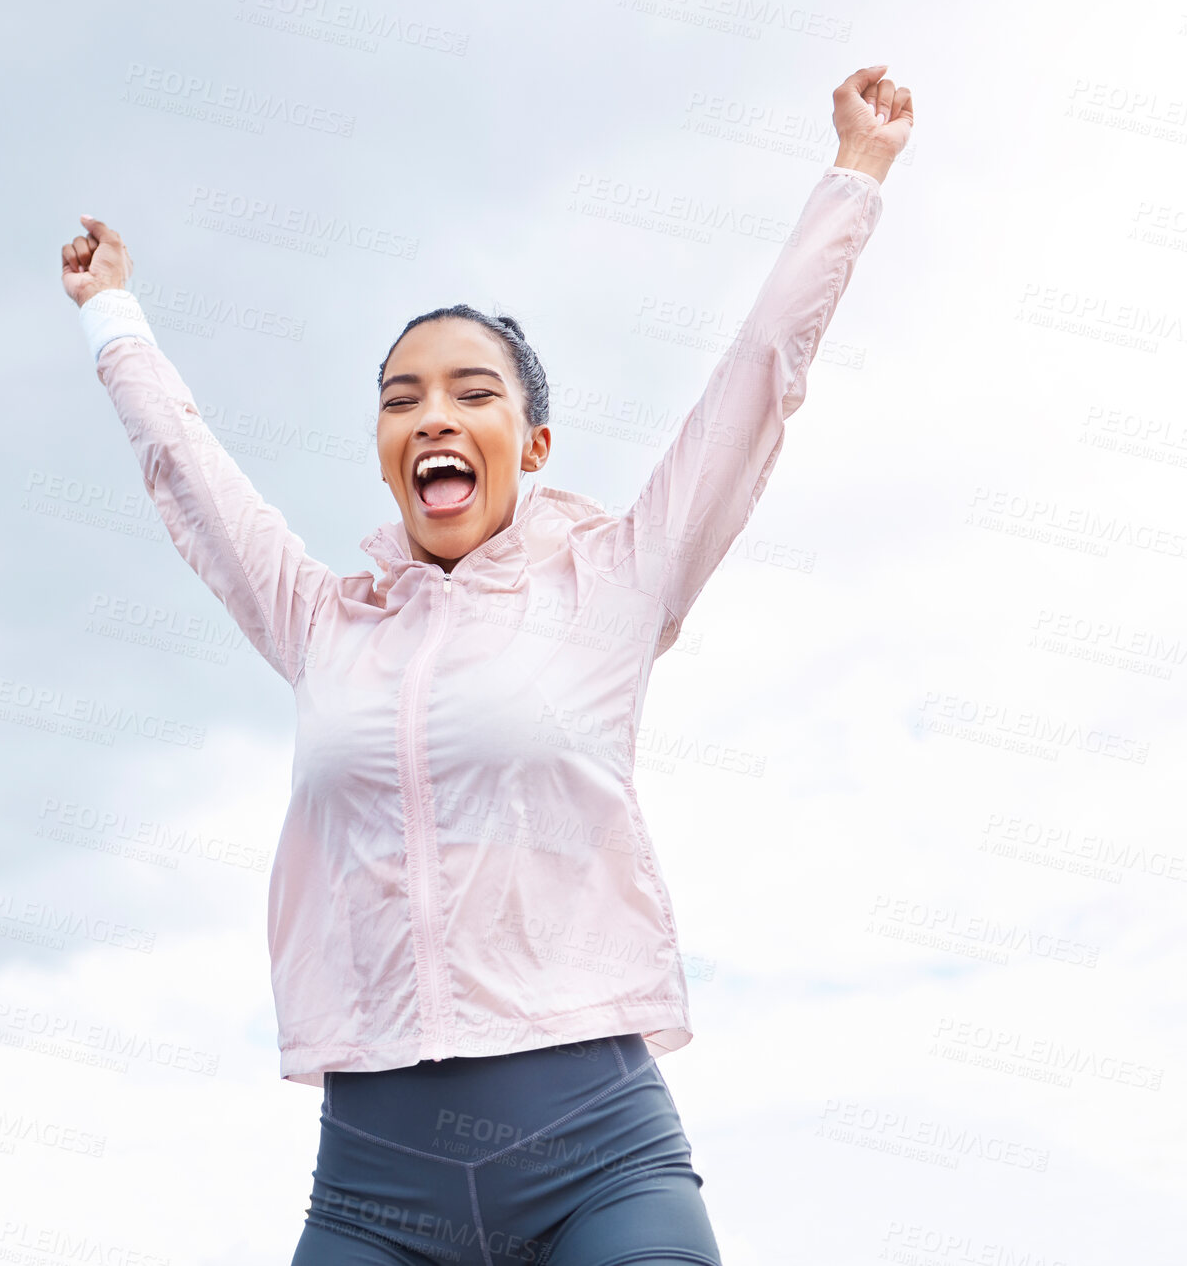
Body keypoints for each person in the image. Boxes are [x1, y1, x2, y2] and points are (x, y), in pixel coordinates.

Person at [60, 63, 914, 1265]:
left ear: (534, 442)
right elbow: (189, 476)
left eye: (473, 392)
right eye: (403, 399)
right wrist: (114, 316)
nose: (435, 416)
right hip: (372, 1193)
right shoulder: (321, 623)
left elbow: (755, 379)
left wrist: (854, 174)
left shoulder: (611, 584)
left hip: (599, 1163)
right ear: (382, 447)